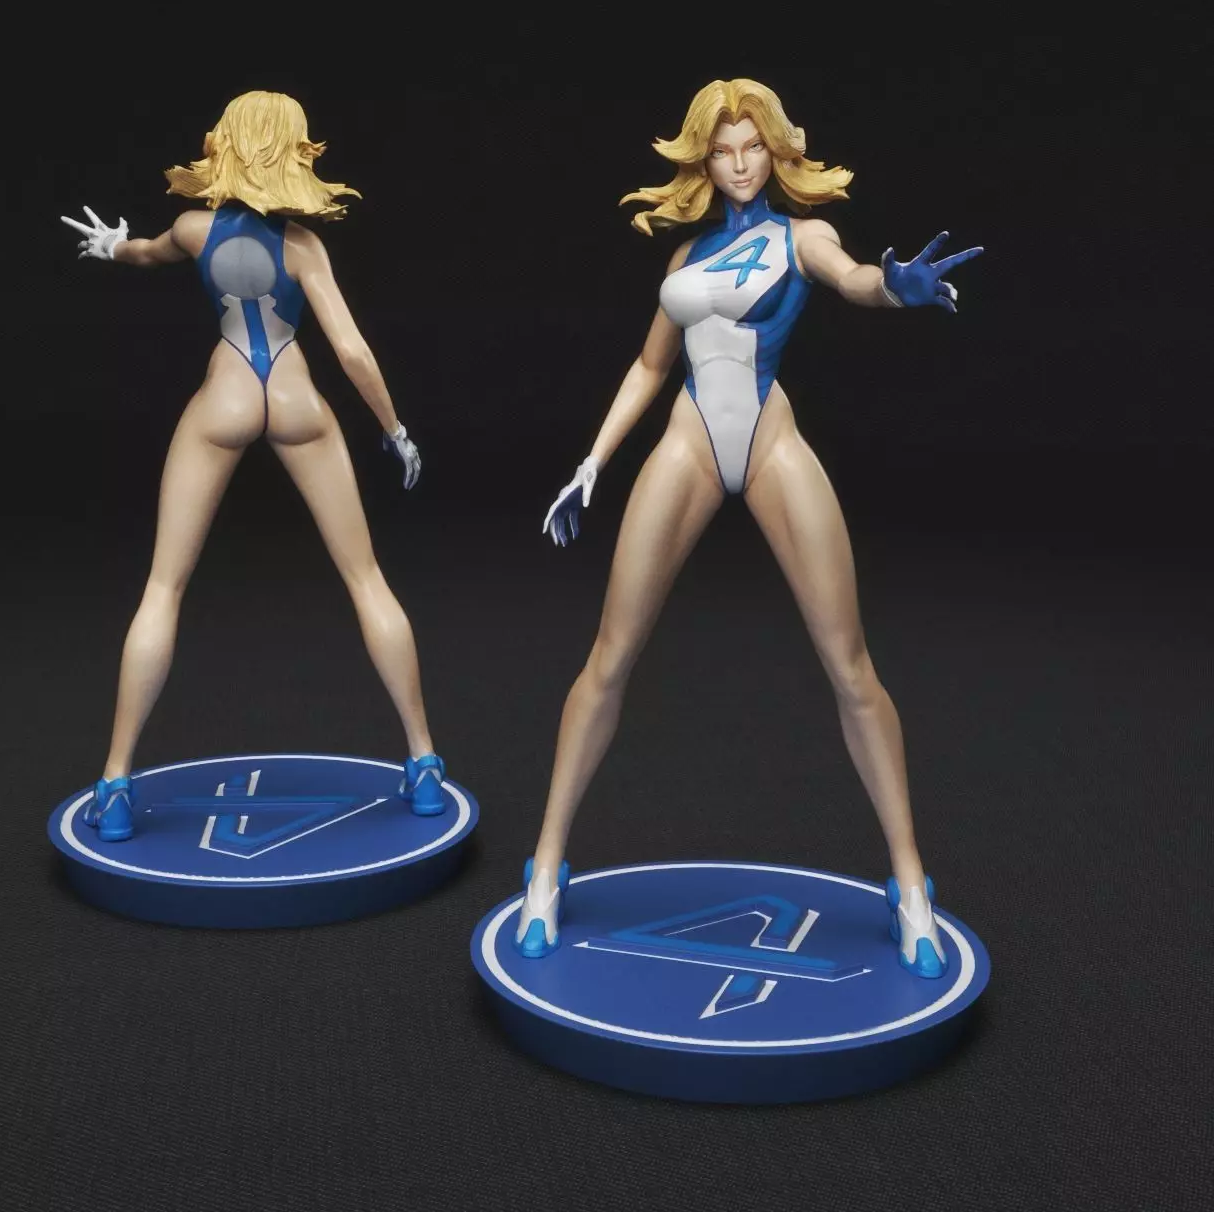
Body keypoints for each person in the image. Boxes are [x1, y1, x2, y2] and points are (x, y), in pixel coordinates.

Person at [517, 78, 982, 977]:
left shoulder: (802, 237)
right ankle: (545, 865)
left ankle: (910, 880)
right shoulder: (685, 254)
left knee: (850, 666)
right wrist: (593, 461)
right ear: (705, 158)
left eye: (752, 148)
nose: (738, 165)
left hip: (770, 443)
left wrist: (895, 289)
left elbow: (850, 277)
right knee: (609, 656)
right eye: (724, 151)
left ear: (775, 151)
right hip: (687, 444)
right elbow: (650, 365)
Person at [60, 91, 445, 841]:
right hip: (297, 398)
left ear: (226, 146)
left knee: (164, 587)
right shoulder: (303, 247)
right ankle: (424, 762)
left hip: (227, 395)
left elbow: (147, 252)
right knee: (366, 579)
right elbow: (352, 350)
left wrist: (114, 247)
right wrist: (395, 428)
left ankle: (115, 781)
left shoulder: (193, 230)